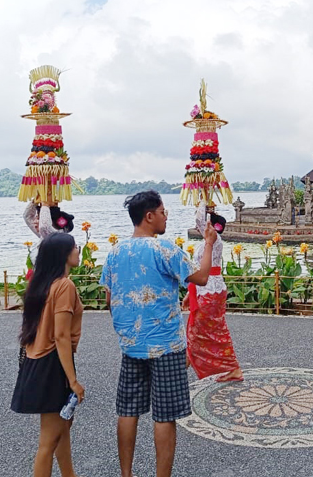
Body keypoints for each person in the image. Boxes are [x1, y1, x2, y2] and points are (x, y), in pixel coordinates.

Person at [99, 190, 216, 477]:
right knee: (164, 416)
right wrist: (209, 243)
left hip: (131, 346)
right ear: (149, 216)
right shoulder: (164, 250)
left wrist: (128, 330)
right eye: (163, 212)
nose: (166, 216)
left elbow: (109, 299)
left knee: (128, 411)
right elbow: (201, 277)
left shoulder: (116, 252)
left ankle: (126, 474)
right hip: (166, 345)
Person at [11, 232, 85, 477]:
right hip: (53, 363)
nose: (78, 250)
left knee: (62, 429)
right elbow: (61, 336)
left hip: (36, 360)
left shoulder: (42, 284)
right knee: (48, 441)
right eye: (75, 247)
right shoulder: (64, 285)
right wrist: (72, 380)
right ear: (63, 254)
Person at [183, 202, 243, 382]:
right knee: (212, 330)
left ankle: (180, 370)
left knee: (198, 331)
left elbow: (200, 220)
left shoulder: (213, 239)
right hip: (207, 288)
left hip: (211, 289)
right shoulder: (208, 241)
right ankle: (233, 368)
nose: (198, 226)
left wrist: (202, 201)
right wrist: (190, 293)